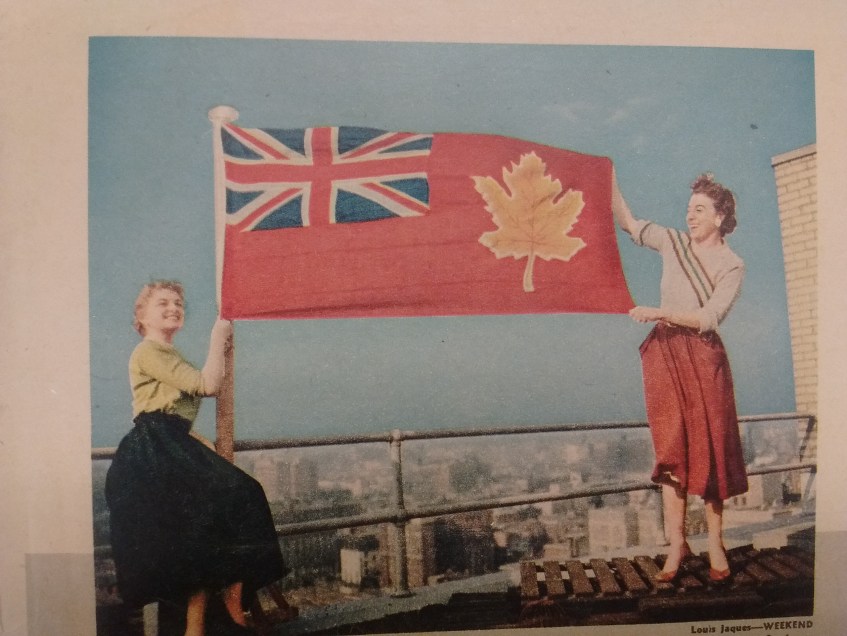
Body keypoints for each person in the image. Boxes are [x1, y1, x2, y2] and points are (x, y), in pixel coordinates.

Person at [105, 280, 289, 636]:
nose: (173, 307)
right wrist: (219, 335)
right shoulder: (148, 351)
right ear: (142, 315)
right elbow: (207, 385)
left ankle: (206, 623)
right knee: (241, 496)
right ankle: (231, 610)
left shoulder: (168, 355)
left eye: (178, 303)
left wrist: (193, 440)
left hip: (168, 443)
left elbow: (173, 411)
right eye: (163, 303)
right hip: (155, 448)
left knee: (206, 529)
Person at [612, 172, 748, 583]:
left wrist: (660, 312)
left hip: (704, 359)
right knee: (671, 448)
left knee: (711, 447)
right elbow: (630, 224)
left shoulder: (732, 264)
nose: (690, 216)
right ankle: (677, 544)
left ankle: (715, 543)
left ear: (720, 217)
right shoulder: (673, 242)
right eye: (689, 209)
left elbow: (709, 317)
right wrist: (609, 180)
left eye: (700, 210)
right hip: (666, 354)